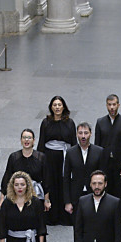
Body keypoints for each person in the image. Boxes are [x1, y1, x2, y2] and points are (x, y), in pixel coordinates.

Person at [64, 123, 104, 242]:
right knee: (78, 228)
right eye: (80, 133)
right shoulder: (71, 152)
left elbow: (103, 176)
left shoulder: (99, 152)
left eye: (85, 133)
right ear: (76, 134)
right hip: (77, 196)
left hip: (95, 194)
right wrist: (67, 201)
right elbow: (66, 177)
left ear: (90, 134)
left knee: (97, 227)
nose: (83, 136)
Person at [38, 96, 78, 225]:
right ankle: (51, 216)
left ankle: (65, 215)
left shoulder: (70, 123)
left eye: (59, 105)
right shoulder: (46, 122)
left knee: (64, 182)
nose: (57, 107)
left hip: (64, 156)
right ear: (51, 107)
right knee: (50, 182)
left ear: (63, 107)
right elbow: (42, 142)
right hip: (49, 157)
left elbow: (73, 142)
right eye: (54, 105)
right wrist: (39, 158)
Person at [93, 94, 121, 199]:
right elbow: (97, 145)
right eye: (109, 105)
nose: (112, 107)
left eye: (114, 104)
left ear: (118, 105)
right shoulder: (100, 122)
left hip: (119, 164)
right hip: (104, 163)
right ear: (106, 105)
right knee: (105, 191)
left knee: (119, 191)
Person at [1, 129, 50, 207]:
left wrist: (47, 200)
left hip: (36, 195)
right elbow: (7, 176)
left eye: (29, 138)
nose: (26, 140)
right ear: (21, 140)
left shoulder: (41, 157)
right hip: (17, 194)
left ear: (34, 140)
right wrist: (2, 198)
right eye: (24, 137)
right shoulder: (13, 157)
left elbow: (46, 180)